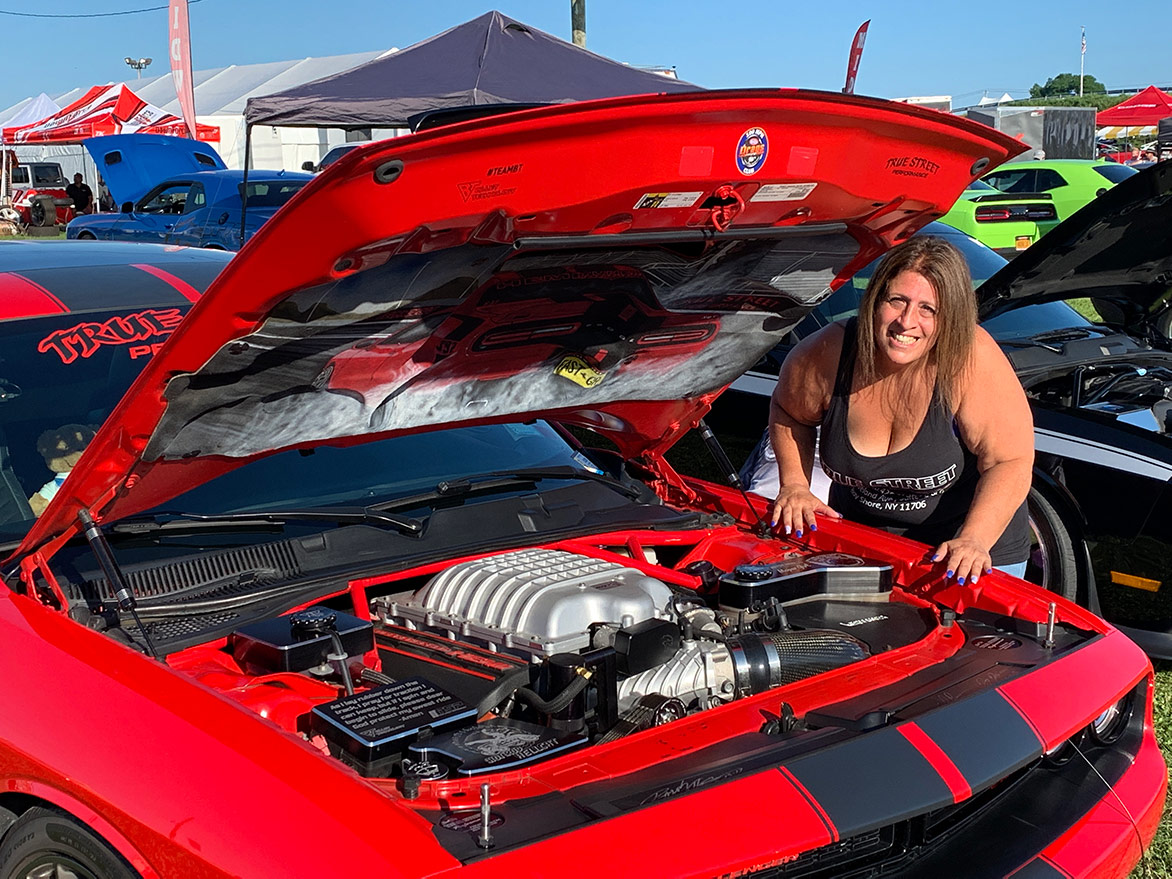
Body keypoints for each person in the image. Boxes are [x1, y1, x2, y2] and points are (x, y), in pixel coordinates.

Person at [768, 236, 1034, 583]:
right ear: (875, 300)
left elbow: (1009, 461)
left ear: (949, 318)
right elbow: (789, 413)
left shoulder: (971, 358)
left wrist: (974, 540)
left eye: (929, 309)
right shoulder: (828, 353)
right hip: (864, 542)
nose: (907, 321)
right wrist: (794, 485)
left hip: (967, 552)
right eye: (897, 301)